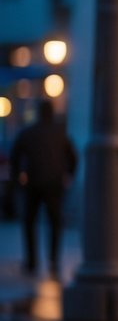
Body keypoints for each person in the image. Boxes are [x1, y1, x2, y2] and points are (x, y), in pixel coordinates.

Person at [10, 100, 78, 280]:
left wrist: (19, 177)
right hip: (54, 183)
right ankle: (53, 260)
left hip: (33, 182)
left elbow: (15, 155)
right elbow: (73, 156)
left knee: (30, 222)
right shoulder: (60, 133)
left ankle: (32, 261)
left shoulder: (28, 132)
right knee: (54, 223)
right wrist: (68, 175)